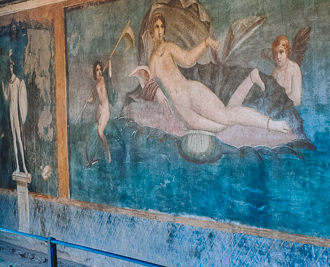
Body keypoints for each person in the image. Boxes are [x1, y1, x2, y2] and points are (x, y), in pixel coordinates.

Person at [147, 14, 290, 133]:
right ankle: (250, 79)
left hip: (191, 91)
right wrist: (156, 90)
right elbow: (147, 83)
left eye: (162, 26)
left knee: (226, 116)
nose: (160, 30)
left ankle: (272, 124)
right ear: (151, 31)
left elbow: (187, 60)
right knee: (221, 127)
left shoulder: (169, 47)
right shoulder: (152, 62)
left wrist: (205, 42)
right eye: (156, 27)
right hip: (182, 106)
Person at [2, 52, 29, 174]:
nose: (10, 68)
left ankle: (24, 166)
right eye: (9, 66)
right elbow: (7, 99)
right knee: (13, 138)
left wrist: (21, 113)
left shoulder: (18, 81)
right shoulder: (9, 82)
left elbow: (20, 99)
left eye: (12, 66)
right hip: (10, 111)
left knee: (19, 139)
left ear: (14, 66)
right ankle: (17, 166)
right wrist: (3, 89)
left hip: (16, 112)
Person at [86, 60, 112, 162]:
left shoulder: (104, 80)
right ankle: (95, 154)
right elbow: (93, 100)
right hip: (99, 110)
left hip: (105, 109)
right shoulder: (95, 86)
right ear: (94, 73)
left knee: (100, 132)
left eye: (100, 69)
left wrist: (109, 63)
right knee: (97, 131)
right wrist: (87, 101)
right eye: (97, 70)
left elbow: (110, 76)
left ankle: (108, 153)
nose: (100, 71)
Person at [270, 34, 303, 106]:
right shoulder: (273, 73)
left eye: (281, 52)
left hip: (291, 109)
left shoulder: (294, 68)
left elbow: (296, 99)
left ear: (287, 52)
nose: (278, 57)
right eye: (275, 53)